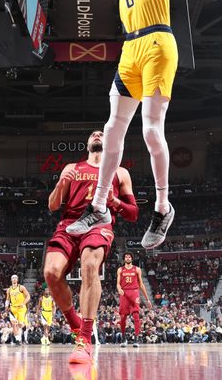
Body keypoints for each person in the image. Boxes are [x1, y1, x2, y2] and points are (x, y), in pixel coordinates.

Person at [66, 0, 177, 250]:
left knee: (149, 132)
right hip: (131, 49)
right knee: (112, 128)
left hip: (159, 44)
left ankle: (162, 207)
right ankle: (98, 206)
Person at [43, 130, 138, 364]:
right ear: (87, 144)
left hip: (99, 224)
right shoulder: (72, 168)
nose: (97, 134)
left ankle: (85, 339)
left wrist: (115, 201)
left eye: (102, 133)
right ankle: (76, 326)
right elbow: (53, 205)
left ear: (108, 142)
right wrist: (61, 184)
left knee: (89, 265)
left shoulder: (119, 171)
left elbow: (134, 213)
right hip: (69, 223)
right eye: (93, 134)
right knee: (50, 273)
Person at [116, 252, 152, 347]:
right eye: (126, 257)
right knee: (123, 317)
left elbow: (141, 284)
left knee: (136, 316)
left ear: (131, 258)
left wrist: (147, 299)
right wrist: (119, 289)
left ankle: (136, 338)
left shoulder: (137, 269)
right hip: (124, 293)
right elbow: (118, 283)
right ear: (124, 259)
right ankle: (124, 338)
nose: (128, 258)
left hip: (134, 292)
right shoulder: (120, 269)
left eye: (129, 257)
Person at [5, 275, 30, 345]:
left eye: (15, 278)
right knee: (13, 324)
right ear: (11, 280)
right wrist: (6, 306)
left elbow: (28, 296)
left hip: (21, 308)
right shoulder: (9, 289)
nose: (14, 279)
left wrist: (24, 303)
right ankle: (17, 340)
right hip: (13, 308)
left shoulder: (21, 287)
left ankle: (24, 326)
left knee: (20, 325)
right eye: (13, 278)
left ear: (17, 279)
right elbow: (7, 299)